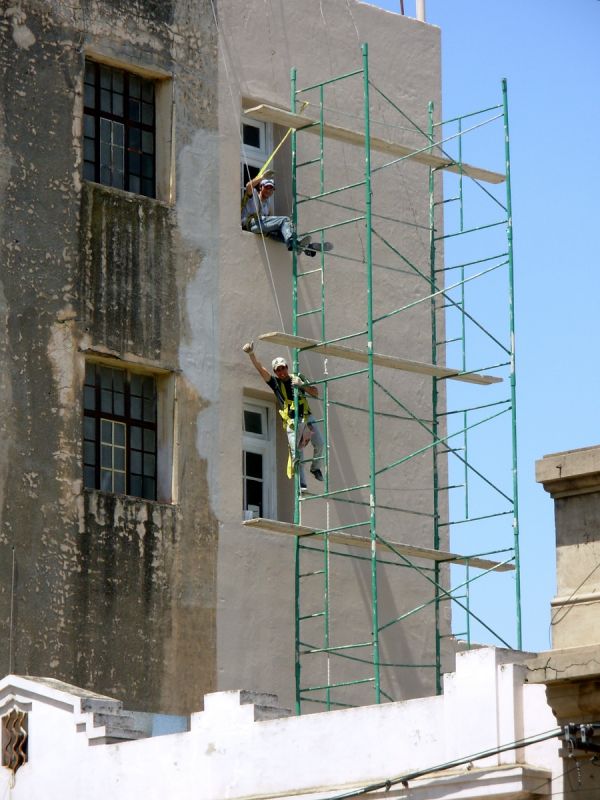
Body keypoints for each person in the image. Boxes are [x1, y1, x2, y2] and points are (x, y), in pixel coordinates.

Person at [242, 341, 324, 489]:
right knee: (296, 453)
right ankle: (302, 483)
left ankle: (315, 467)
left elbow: (316, 393)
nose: (281, 372)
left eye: (283, 368)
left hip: (306, 416)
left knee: (320, 443)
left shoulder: (297, 377)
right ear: (275, 372)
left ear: (287, 367)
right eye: (278, 370)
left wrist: (301, 384)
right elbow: (261, 370)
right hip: (292, 421)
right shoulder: (275, 383)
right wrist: (251, 354)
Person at [240, 176, 316, 255]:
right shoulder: (254, 195)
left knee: (282, 229)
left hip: (261, 229)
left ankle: (303, 246)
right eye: (267, 187)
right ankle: (291, 241)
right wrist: (261, 177)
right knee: (284, 220)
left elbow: (272, 222)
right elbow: (248, 186)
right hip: (251, 224)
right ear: (260, 187)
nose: (269, 190)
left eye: (271, 188)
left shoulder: (267, 205)